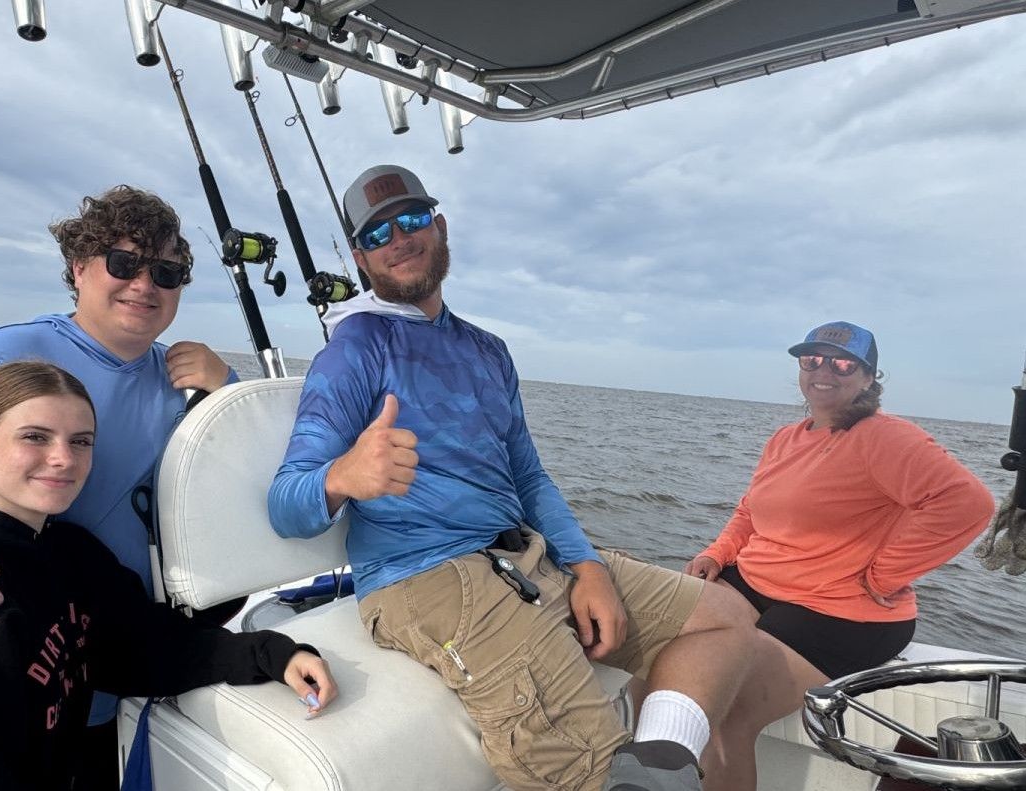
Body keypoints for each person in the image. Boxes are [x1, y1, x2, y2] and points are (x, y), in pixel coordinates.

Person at [268, 164, 757, 791]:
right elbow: (286, 504)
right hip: (425, 576)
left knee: (725, 617)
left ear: (440, 228)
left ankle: (654, 764)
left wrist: (588, 566)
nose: (399, 238)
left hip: (524, 552)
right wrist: (342, 476)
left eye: (412, 219)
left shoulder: (488, 350)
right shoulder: (354, 350)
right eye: (377, 233)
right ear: (362, 259)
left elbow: (527, 474)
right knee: (590, 769)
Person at [0, 186, 235, 764]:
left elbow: (235, 474)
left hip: (122, 651)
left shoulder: (187, 381)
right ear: (79, 268)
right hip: (19, 653)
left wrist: (228, 390)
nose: (144, 284)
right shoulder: (7, 352)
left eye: (166, 272)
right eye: (124, 263)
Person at [0, 361, 337, 791]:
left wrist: (272, 654)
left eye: (80, 442)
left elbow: (140, 647)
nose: (63, 459)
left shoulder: (72, 555)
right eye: (35, 437)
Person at [683, 321, 993, 791]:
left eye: (843, 364)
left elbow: (967, 503)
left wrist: (885, 573)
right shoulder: (785, 438)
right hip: (760, 582)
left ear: (869, 377)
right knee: (662, 651)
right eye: (812, 359)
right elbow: (750, 509)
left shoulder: (882, 436)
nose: (824, 371)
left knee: (722, 710)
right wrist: (717, 552)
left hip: (840, 609)